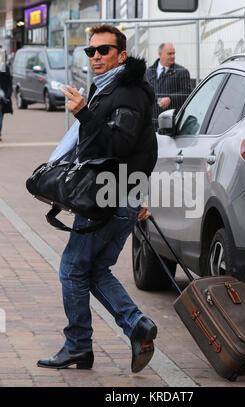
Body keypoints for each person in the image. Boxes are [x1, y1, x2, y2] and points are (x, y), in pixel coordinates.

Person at [37, 24, 158, 374]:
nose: (96, 57)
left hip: (110, 196)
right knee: (94, 269)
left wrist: (83, 114)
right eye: (91, 52)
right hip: (114, 194)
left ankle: (78, 345)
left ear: (122, 55)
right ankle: (135, 325)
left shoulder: (129, 92)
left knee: (72, 270)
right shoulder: (109, 88)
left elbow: (120, 145)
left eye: (104, 51)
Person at [146, 42, 192, 130]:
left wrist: (170, 99)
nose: (173, 56)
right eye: (169, 54)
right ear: (160, 54)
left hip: (170, 123)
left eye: (174, 53)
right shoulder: (149, 71)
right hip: (151, 122)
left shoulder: (181, 72)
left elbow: (187, 93)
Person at [0, 60, 13, 141]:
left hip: (2, 97)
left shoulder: (4, 67)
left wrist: (8, 95)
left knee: (0, 116)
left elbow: (9, 83)